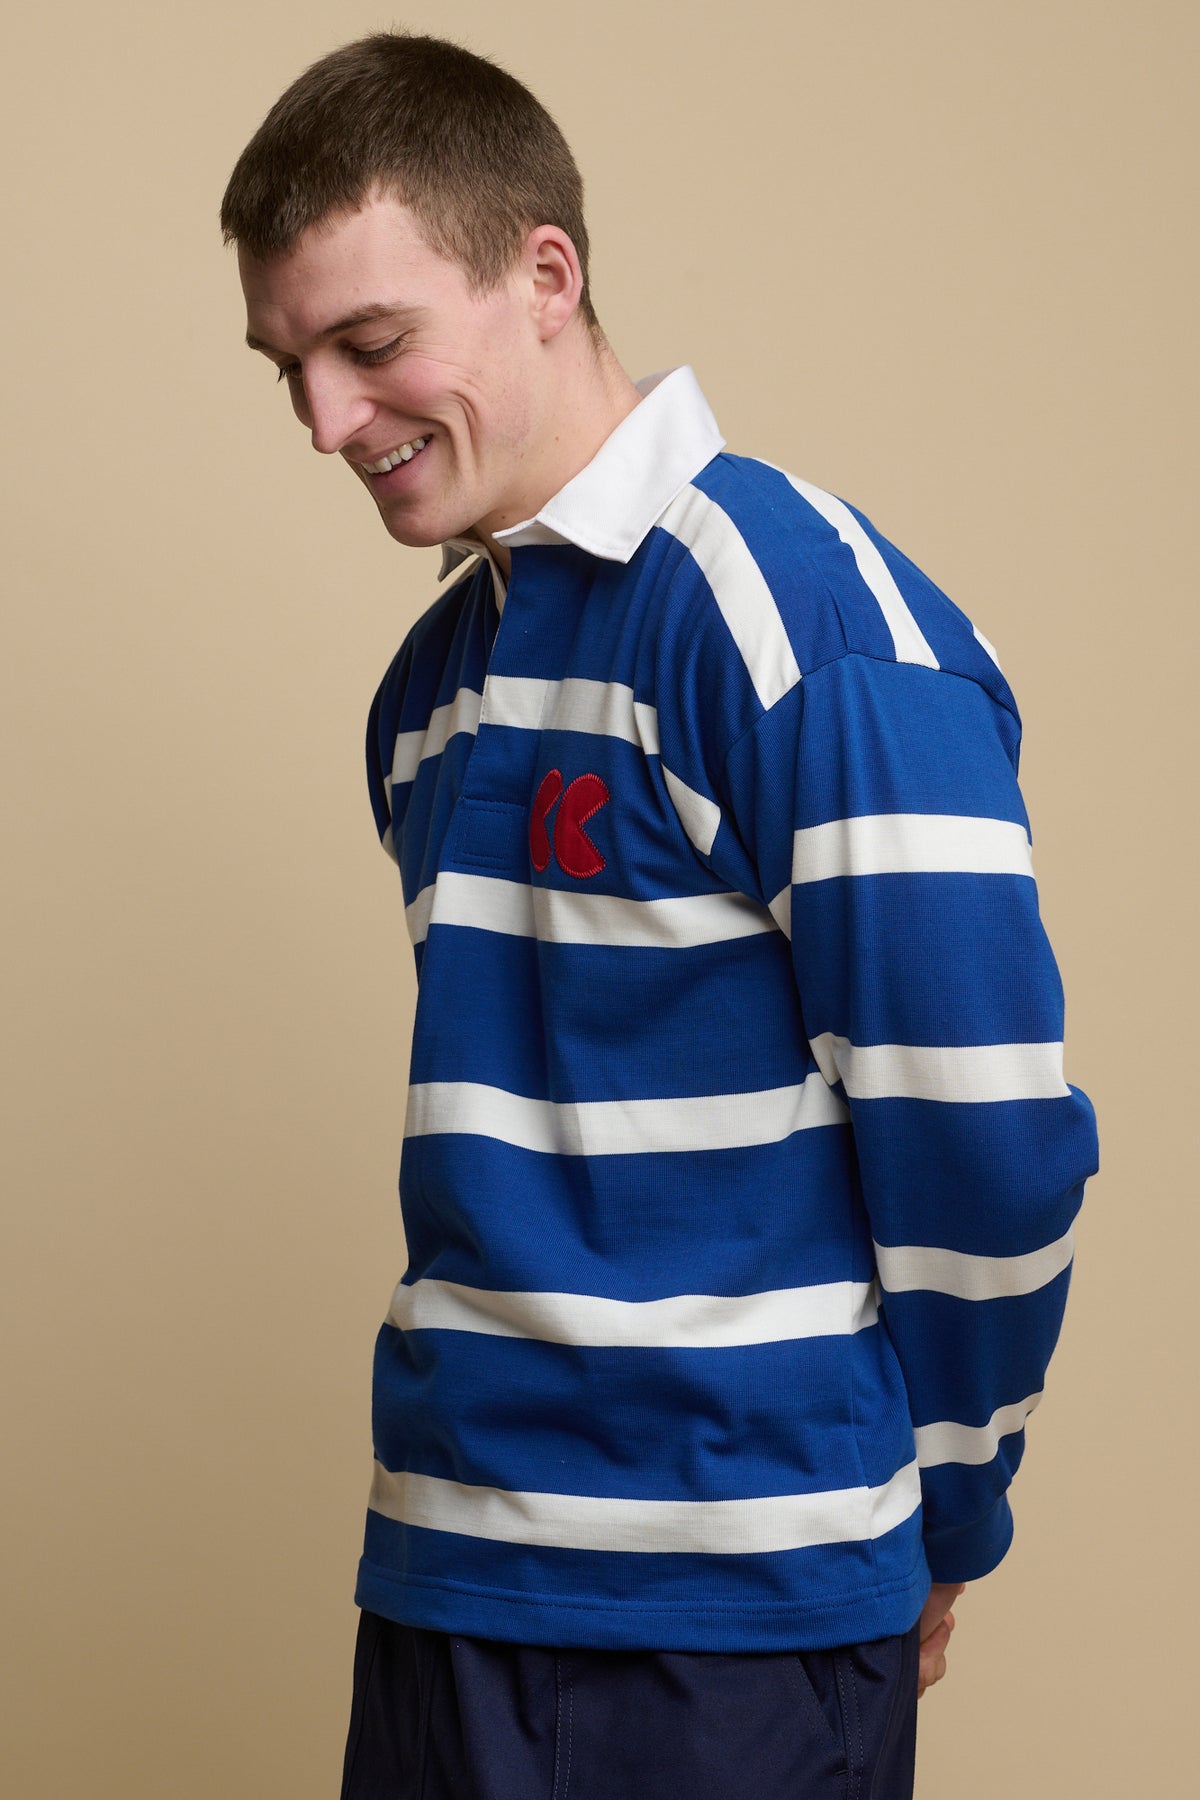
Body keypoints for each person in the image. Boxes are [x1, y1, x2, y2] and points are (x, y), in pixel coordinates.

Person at [222, 31, 1099, 1800]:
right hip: (441, 1589)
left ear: (546, 276)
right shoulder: (431, 693)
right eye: (289, 364)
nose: (326, 420)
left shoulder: (801, 618)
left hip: (733, 1635)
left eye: (371, 344)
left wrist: (946, 1510)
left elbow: (987, 1143)